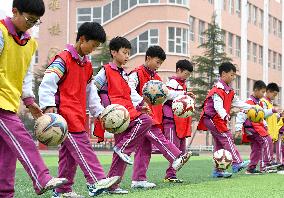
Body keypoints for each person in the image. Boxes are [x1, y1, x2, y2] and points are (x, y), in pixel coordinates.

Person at [39, 22, 120, 198]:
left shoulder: (87, 65)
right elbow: (47, 83)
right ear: (82, 39)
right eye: (93, 45)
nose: (94, 49)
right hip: (63, 116)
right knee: (83, 147)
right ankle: (95, 180)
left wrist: (99, 112)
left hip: (78, 115)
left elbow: (91, 92)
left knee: (69, 156)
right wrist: (48, 107)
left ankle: (62, 191)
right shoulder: (63, 59)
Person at [0, 0, 67, 197]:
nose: (32, 24)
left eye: (36, 22)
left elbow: (25, 75)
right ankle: (42, 178)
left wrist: (29, 101)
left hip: (9, 103)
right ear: (15, 12)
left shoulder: (30, 43)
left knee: (7, 153)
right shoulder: (1, 32)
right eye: (29, 19)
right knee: (22, 139)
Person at [94, 36, 153, 194]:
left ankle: (112, 186)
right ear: (113, 52)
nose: (127, 56)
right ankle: (123, 147)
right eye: (124, 52)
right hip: (116, 115)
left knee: (122, 153)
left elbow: (129, 94)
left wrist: (141, 105)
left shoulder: (124, 73)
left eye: (129, 53)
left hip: (127, 112)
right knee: (146, 121)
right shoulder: (105, 70)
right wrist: (103, 109)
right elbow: (94, 88)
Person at [128, 47, 192, 188]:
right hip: (141, 116)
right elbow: (128, 89)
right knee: (159, 138)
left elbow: (167, 94)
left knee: (144, 150)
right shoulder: (136, 74)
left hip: (153, 116)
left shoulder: (156, 78)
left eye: (160, 63)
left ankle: (138, 180)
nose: (158, 66)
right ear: (148, 58)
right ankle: (176, 156)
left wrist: (184, 96)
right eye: (157, 62)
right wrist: (140, 102)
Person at [197, 62, 251, 178]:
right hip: (212, 118)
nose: (233, 77)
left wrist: (254, 108)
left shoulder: (229, 90)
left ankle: (218, 171)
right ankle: (237, 162)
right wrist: (225, 115)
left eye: (234, 75)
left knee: (220, 144)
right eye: (232, 74)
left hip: (218, 119)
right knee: (227, 137)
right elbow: (217, 106)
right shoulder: (217, 89)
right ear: (223, 74)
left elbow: (238, 103)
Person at [236, 80, 279, 174]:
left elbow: (262, 115)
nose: (263, 94)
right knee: (267, 140)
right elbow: (241, 114)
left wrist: (272, 112)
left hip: (256, 128)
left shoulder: (258, 103)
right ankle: (266, 164)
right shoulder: (249, 102)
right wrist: (238, 128)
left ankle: (251, 168)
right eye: (262, 92)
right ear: (256, 90)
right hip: (252, 128)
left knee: (257, 147)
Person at [162, 59, 194, 183]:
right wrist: (184, 94)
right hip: (171, 121)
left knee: (181, 150)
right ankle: (170, 174)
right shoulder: (172, 83)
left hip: (181, 122)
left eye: (189, 75)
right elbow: (167, 95)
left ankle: (171, 174)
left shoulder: (183, 84)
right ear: (178, 70)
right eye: (186, 74)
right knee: (172, 147)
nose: (187, 77)